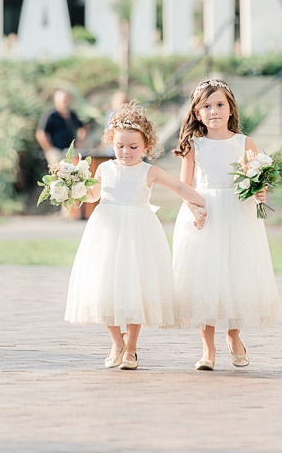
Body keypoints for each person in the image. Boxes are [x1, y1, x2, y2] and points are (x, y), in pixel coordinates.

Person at [64, 102, 207, 371]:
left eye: (133, 147)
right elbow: (93, 196)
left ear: (146, 146)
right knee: (104, 288)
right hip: (106, 232)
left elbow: (178, 186)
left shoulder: (148, 171)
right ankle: (117, 341)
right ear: (111, 143)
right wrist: (73, 186)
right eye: (120, 146)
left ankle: (131, 349)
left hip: (138, 235)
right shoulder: (104, 169)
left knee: (134, 290)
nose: (126, 152)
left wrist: (202, 203)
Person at [172, 78, 282, 371]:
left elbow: (256, 178)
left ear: (231, 109)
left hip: (237, 213)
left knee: (237, 274)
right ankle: (208, 349)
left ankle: (234, 335)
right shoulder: (193, 145)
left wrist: (261, 191)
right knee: (204, 278)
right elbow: (185, 186)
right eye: (206, 106)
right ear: (197, 114)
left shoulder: (243, 143)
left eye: (220, 105)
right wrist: (195, 210)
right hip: (206, 211)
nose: (214, 111)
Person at [37, 89, 87, 167]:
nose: (66, 103)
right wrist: (49, 149)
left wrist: (79, 142)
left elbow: (82, 128)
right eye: (63, 101)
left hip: (69, 151)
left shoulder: (72, 114)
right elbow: (40, 134)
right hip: (56, 150)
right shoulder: (51, 115)